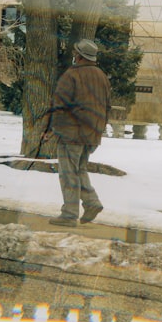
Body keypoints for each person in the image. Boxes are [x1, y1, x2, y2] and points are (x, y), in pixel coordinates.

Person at [47, 39, 111, 227]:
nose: (74, 55)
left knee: (68, 173)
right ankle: (92, 203)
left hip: (71, 133)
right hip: (92, 133)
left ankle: (69, 214)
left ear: (79, 56)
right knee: (79, 169)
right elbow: (107, 107)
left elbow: (59, 105)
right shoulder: (102, 76)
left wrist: (51, 128)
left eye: (75, 53)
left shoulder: (71, 75)